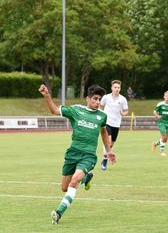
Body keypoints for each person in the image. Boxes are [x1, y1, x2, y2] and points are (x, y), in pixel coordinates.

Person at [39, 83, 116, 225]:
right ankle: (86, 177)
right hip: (73, 153)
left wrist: (108, 150)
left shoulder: (102, 116)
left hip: (88, 156)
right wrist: (47, 96)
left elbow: (104, 132)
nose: (98, 102)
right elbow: (55, 110)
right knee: (64, 187)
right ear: (87, 98)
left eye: (100, 99)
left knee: (74, 181)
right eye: (95, 99)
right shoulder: (76, 110)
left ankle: (59, 212)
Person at [99, 80, 129, 170]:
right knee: (108, 140)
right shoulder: (106, 97)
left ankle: (106, 154)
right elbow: (100, 105)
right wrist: (100, 114)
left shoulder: (122, 99)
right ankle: (105, 159)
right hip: (107, 122)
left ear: (120, 89)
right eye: (115, 87)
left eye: (118, 87)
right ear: (112, 88)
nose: (117, 89)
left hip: (116, 124)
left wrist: (123, 114)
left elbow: (126, 110)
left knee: (111, 144)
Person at [152, 91, 168, 156]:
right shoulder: (160, 104)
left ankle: (155, 144)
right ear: (164, 97)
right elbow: (154, 112)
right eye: (166, 96)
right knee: (164, 137)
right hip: (161, 122)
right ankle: (162, 152)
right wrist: (158, 116)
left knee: (165, 140)